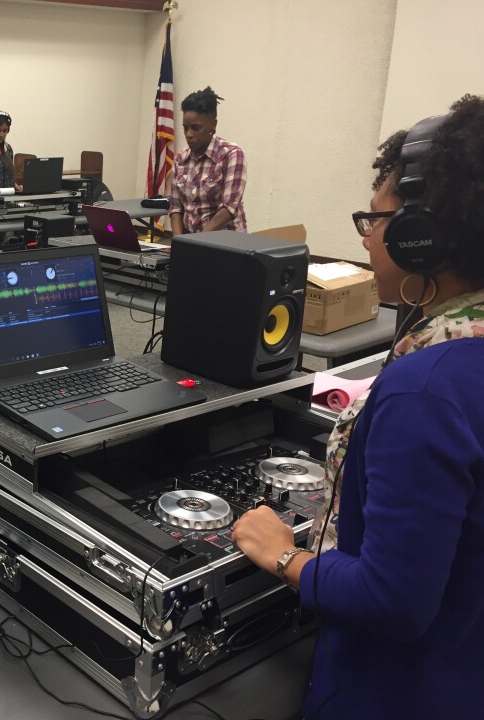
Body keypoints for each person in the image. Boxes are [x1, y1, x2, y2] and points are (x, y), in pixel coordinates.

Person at [231, 95, 484, 719]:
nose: (367, 237)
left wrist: (282, 553)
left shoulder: (426, 390)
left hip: (397, 691)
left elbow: (392, 601)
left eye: (374, 220)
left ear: (421, 238)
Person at [168, 87, 247, 234]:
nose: (188, 134)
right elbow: (176, 208)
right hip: (190, 242)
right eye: (185, 128)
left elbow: (228, 208)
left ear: (213, 125)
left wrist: (197, 244)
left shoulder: (231, 154)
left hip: (226, 244)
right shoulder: (180, 159)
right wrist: (179, 243)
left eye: (195, 128)